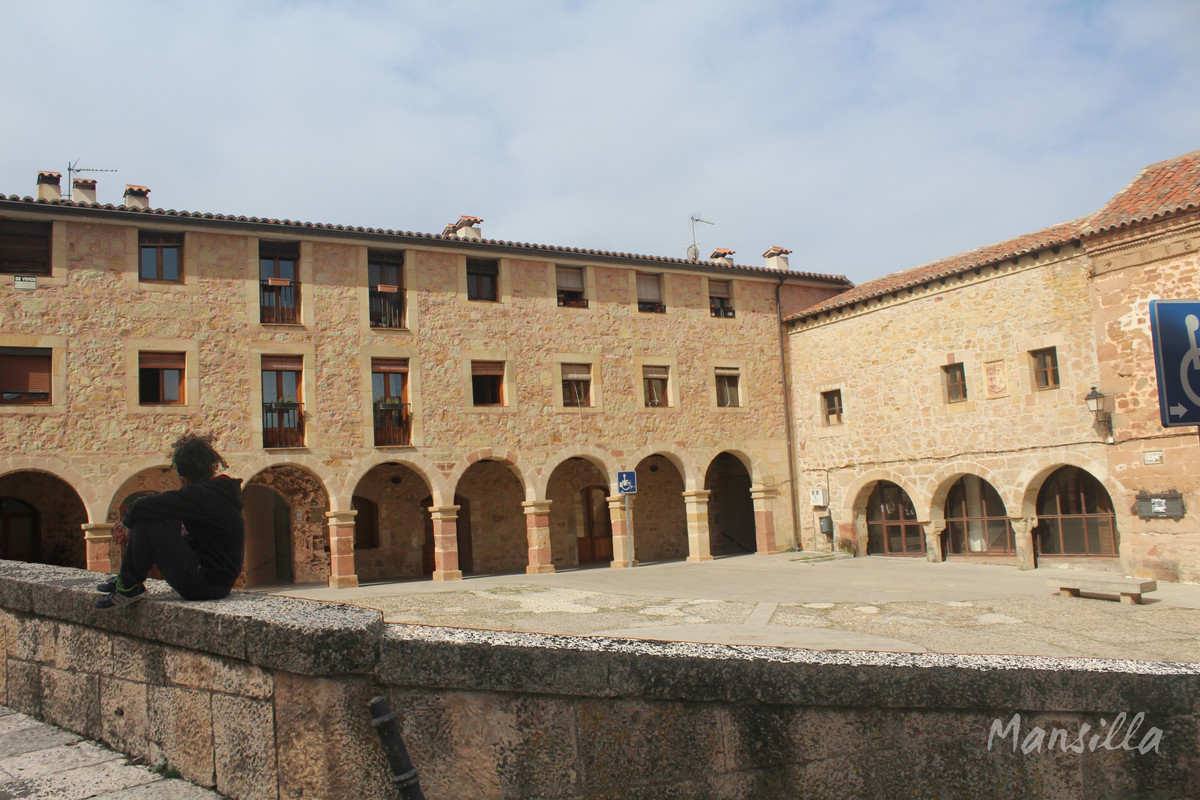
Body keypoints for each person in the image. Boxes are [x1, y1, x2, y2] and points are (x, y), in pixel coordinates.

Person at [96, 434, 245, 609]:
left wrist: (127, 525)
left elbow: (140, 506)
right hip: (214, 582)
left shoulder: (204, 496)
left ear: (184, 478)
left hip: (205, 585)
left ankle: (128, 587)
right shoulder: (215, 494)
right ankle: (126, 580)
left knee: (147, 523)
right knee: (160, 515)